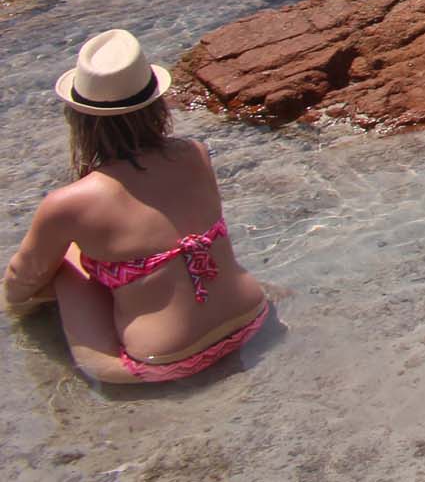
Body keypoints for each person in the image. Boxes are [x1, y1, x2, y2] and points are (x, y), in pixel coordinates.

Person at [4, 30, 270, 383]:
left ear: (79, 120)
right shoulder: (195, 154)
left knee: (61, 263)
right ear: (157, 106)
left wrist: (16, 308)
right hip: (252, 317)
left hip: (164, 361)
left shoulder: (68, 204)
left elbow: (22, 280)